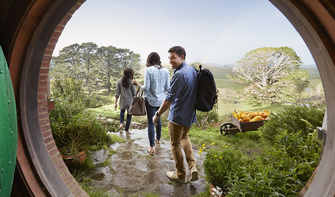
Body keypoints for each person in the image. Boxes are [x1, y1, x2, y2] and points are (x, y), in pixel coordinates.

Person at [152, 46, 198, 183]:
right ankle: (192, 167)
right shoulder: (192, 71)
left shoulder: (179, 74)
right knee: (185, 136)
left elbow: (168, 100)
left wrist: (157, 114)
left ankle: (181, 174)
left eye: (173, 57)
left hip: (178, 116)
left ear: (182, 57)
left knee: (175, 144)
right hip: (190, 114)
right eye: (169, 58)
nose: (170, 61)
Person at [132, 52, 170, 155]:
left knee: (150, 122)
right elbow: (167, 88)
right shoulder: (166, 71)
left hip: (151, 100)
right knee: (158, 118)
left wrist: (138, 84)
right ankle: (158, 139)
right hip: (162, 100)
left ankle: (152, 147)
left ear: (149, 60)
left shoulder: (148, 70)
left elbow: (146, 88)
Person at [115, 68, 136, 132]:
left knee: (122, 111)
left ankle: (121, 123)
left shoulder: (119, 81)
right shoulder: (131, 82)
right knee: (129, 116)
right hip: (130, 102)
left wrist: (115, 103)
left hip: (123, 101)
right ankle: (126, 129)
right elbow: (134, 93)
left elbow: (117, 94)